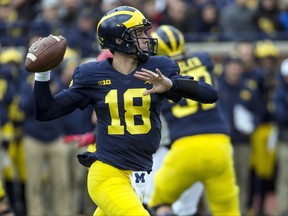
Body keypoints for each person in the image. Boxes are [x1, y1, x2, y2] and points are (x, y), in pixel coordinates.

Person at [31, 5, 218, 216]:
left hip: (140, 173)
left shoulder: (159, 68)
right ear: (119, 40)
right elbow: (47, 111)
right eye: (138, 33)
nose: (146, 38)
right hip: (108, 172)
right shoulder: (92, 74)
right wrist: (42, 74)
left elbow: (210, 95)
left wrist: (171, 85)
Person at [146, 25, 240, 216]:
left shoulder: (158, 75)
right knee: (227, 210)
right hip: (219, 145)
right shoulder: (204, 59)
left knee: (159, 202)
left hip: (184, 146)